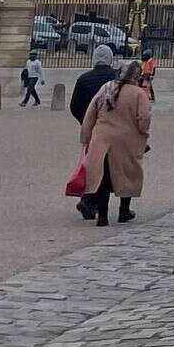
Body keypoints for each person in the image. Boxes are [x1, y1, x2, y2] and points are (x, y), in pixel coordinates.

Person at [79, 61, 151, 227]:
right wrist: (143, 133)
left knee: (103, 177)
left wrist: (86, 136)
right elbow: (144, 118)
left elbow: (90, 113)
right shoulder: (139, 94)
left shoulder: (106, 88)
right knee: (127, 173)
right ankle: (123, 211)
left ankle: (102, 216)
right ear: (136, 75)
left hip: (102, 137)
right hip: (126, 139)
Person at [70, 44, 117, 221]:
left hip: (91, 129)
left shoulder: (84, 79)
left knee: (92, 164)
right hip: (112, 128)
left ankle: (89, 199)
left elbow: (74, 106)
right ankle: (90, 200)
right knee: (108, 167)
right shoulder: (115, 78)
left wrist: (85, 122)